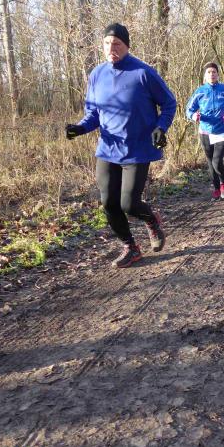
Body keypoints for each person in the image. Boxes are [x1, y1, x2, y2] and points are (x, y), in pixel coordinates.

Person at [66, 23, 177, 268]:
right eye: (107, 43)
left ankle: (152, 220)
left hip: (138, 149)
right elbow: (93, 113)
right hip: (108, 148)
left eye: (116, 44)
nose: (111, 48)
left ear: (127, 46)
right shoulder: (97, 75)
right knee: (109, 203)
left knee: (129, 204)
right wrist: (80, 128)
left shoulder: (143, 73)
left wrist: (161, 127)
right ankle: (130, 247)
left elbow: (169, 103)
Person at [186, 62, 224, 200]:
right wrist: (193, 116)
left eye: (214, 72)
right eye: (209, 72)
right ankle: (216, 188)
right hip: (205, 131)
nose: (212, 74)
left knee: (217, 161)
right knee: (210, 162)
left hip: (223, 130)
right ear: (205, 75)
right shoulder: (200, 92)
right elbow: (189, 109)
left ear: (218, 74)